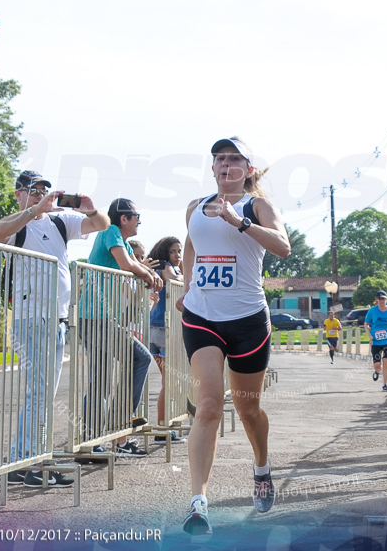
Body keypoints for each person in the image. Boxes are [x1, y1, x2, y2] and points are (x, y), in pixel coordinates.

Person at [175, 137, 291, 535]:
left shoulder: (257, 206)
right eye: (219, 159)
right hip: (202, 318)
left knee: (247, 410)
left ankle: (261, 464)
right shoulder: (195, 206)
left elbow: (283, 247)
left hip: (247, 321)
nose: (226, 165)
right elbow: (191, 244)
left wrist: (240, 222)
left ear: (248, 169)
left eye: (234, 159)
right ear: (212, 168)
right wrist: (189, 286)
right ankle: (198, 504)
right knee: (207, 404)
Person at [0, 170, 110, 488]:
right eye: (33, 190)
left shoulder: (59, 222)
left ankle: (22, 461)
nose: (41, 194)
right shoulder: (20, 223)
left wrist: (89, 208)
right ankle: (34, 464)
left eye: (45, 189)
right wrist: (34, 209)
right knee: (39, 395)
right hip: (33, 318)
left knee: (40, 394)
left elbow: (101, 225)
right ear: (18, 194)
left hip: (56, 318)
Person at [84, 198, 163, 458]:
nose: (139, 221)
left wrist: (151, 275)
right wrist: (148, 275)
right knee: (140, 357)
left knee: (102, 380)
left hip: (104, 317)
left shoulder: (125, 242)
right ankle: (119, 423)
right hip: (95, 317)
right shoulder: (110, 230)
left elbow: (134, 263)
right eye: (137, 216)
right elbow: (126, 265)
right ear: (124, 218)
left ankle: (95, 441)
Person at [148, 235, 186, 442]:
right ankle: (162, 428)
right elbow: (174, 280)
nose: (178, 255)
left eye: (179, 251)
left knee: (170, 380)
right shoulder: (163, 267)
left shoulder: (174, 267)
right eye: (173, 251)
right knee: (168, 380)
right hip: (161, 328)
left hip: (168, 328)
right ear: (164, 253)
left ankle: (166, 425)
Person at [364, 291, 387, 392]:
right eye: (379, 299)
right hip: (376, 341)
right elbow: (366, 324)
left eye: (383, 299)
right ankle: (377, 370)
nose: (381, 301)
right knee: (377, 364)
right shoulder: (372, 311)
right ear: (377, 300)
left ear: (386, 300)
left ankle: (385, 384)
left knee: (386, 361)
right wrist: (370, 335)